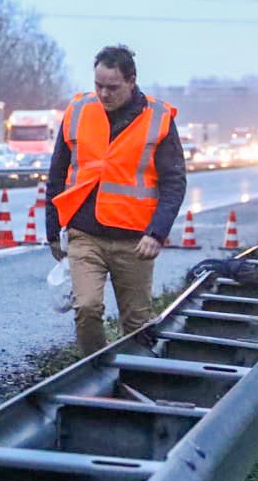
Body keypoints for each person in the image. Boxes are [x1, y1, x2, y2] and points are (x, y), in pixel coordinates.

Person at [45, 45, 186, 355]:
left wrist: (157, 233)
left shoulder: (158, 118)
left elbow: (174, 182)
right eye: (98, 86)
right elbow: (56, 174)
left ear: (131, 81)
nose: (104, 94)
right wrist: (52, 230)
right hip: (85, 234)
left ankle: (135, 378)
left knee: (137, 322)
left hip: (135, 240)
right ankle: (94, 374)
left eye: (112, 87)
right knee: (87, 308)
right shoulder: (79, 110)